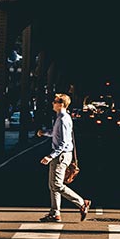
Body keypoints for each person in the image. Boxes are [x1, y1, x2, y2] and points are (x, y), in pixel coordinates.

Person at [39, 93, 91, 223]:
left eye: (55, 101)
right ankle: (55, 213)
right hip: (62, 154)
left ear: (61, 104)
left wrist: (50, 156)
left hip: (61, 155)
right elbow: (55, 134)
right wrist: (44, 133)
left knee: (56, 184)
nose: (53, 103)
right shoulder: (61, 117)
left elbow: (62, 143)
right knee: (53, 185)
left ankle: (82, 203)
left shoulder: (62, 119)